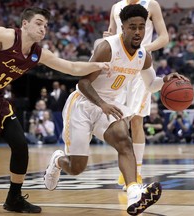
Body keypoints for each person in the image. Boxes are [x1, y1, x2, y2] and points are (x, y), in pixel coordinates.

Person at [0, 7, 108, 214]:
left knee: (20, 145)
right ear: (24, 24)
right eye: (39, 23)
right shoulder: (7, 37)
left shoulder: (38, 54)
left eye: (46, 25)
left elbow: (70, 67)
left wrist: (99, 65)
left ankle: (14, 198)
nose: (43, 28)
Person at [44, 4, 186, 215]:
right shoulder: (107, 47)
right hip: (83, 105)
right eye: (133, 27)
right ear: (123, 27)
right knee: (76, 167)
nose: (138, 32)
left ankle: (134, 193)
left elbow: (151, 84)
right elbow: (83, 84)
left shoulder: (144, 56)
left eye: (141, 27)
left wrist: (165, 80)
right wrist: (101, 104)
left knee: (124, 141)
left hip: (109, 106)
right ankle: (57, 160)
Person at [103, 0, 169, 188]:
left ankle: (136, 173)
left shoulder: (151, 5)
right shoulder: (116, 7)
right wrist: (107, 38)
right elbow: (110, 33)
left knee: (137, 119)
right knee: (118, 120)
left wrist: (143, 49)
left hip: (140, 66)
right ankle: (126, 169)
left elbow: (164, 37)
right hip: (117, 68)